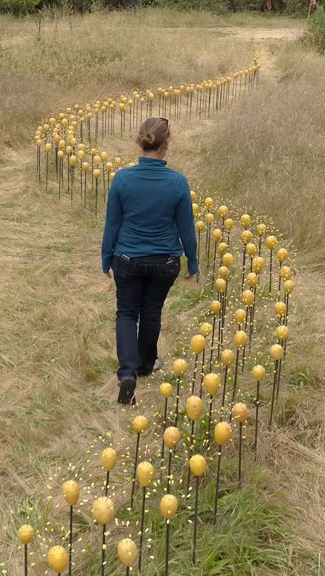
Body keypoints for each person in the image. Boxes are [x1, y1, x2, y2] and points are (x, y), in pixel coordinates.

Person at [102, 117, 198, 405]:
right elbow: (186, 228)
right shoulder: (178, 182)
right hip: (165, 262)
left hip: (128, 259)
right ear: (166, 145)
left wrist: (106, 258)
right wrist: (192, 263)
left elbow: (112, 225)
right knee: (152, 312)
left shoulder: (122, 179)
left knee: (127, 313)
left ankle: (127, 373)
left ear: (141, 142)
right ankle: (146, 365)